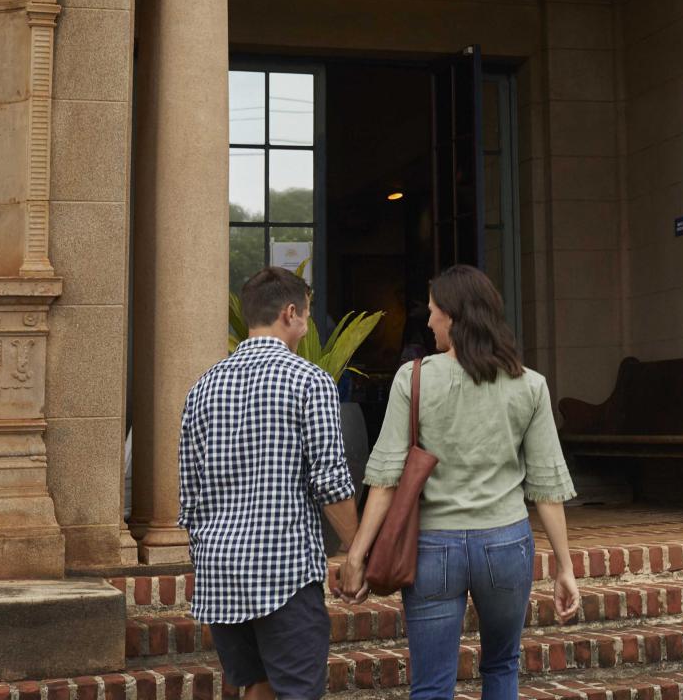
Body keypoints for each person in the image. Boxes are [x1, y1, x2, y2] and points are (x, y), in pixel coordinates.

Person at [345, 264, 581, 700]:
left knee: (432, 686)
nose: (428, 320)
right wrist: (564, 568)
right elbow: (546, 486)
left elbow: (385, 479)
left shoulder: (413, 379)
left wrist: (357, 554)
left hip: (434, 548)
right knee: (501, 667)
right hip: (506, 545)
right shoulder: (529, 385)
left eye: (434, 312)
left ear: (454, 317)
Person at [178, 267, 364, 700]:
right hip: (284, 573)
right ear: (291, 313)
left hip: (220, 571)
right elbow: (331, 482)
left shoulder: (202, 388)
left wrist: (210, 555)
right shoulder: (309, 381)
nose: (308, 323)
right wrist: (356, 553)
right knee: (298, 692)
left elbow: (189, 495)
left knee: (255, 686)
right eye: (307, 315)